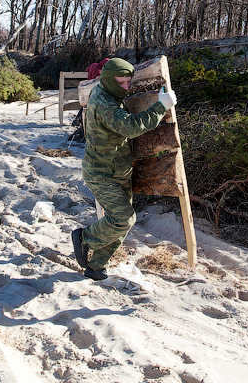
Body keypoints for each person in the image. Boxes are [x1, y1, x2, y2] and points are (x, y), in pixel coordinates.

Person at [70, 58, 178, 280]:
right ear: (109, 80)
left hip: (118, 170)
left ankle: (96, 266)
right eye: (122, 83)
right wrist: (161, 106)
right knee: (124, 219)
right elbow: (130, 126)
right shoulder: (103, 103)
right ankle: (83, 238)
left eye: (129, 82)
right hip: (101, 173)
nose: (126, 87)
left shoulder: (110, 94)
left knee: (121, 223)